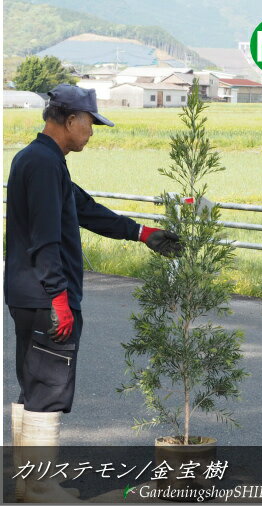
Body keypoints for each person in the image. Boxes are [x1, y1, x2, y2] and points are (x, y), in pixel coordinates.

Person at [4, 83, 181, 502]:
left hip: (27, 294)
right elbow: (46, 238)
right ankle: (42, 488)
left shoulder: (41, 159)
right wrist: (60, 300)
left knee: (33, 387)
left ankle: (27, 483)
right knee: (48, 389)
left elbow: (83, 208)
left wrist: (142, 233)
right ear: (69, 120)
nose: (93, 130)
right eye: (90, 122)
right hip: (48, 298)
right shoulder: (44, 164)